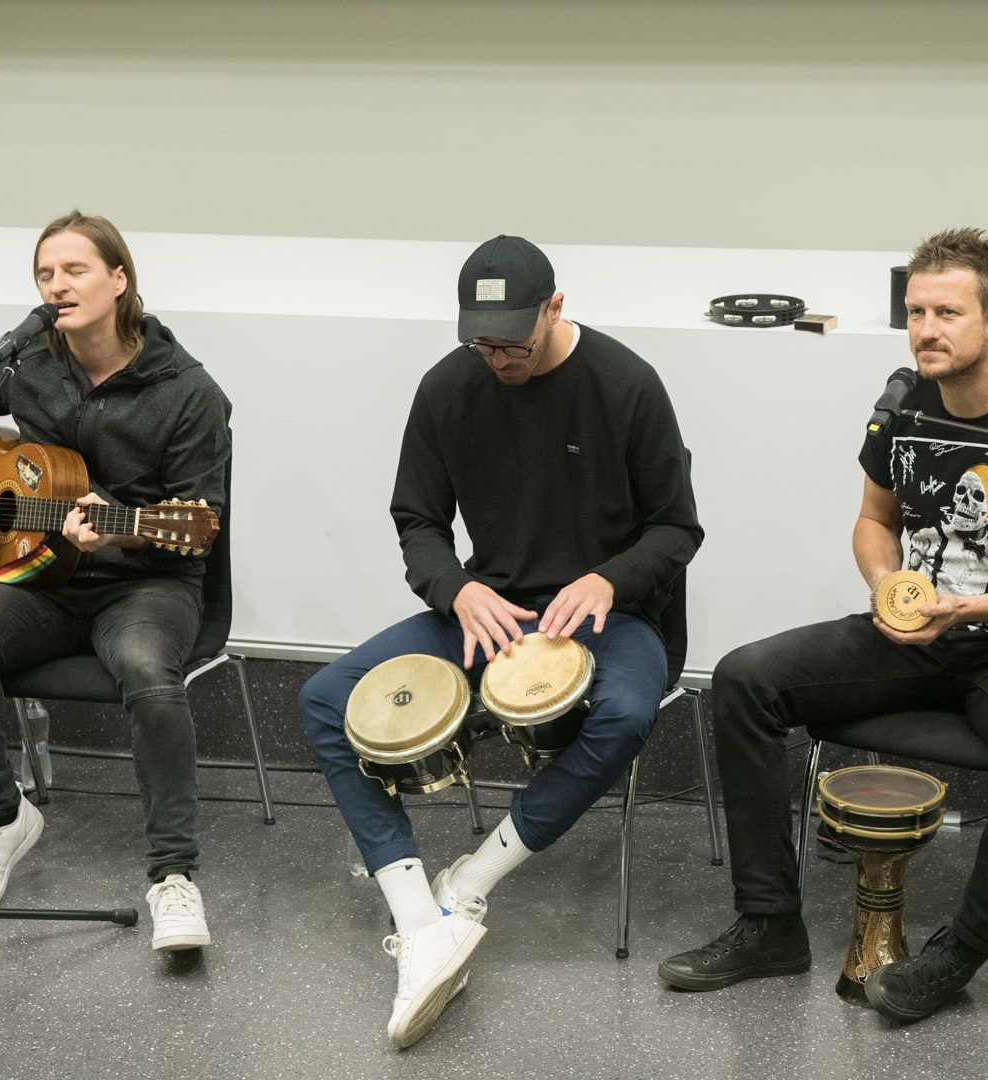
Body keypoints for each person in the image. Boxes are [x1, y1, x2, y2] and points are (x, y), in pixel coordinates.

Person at [660, 227, 988, 1023]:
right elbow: (873, 523)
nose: (925, 330)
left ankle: (961, 951)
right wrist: (888, 588)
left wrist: (971, 606)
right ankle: (770, 923)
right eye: (915, 311)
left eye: (947, 312)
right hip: (917, 631)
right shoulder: (904, 405)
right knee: (744, 679)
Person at [298, 235, 702, 1047]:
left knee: (623, 715)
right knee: (323, 699)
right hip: (492, 609)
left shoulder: (627, 385)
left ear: (556, 307)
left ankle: (471, 884)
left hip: (611, 618)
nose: (497, 359)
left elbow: (677, 528)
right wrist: (459, 588)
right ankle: (419, 919)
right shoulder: (449, 388)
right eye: (482, 343)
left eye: (512, 342)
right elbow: (416, 519)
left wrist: (609, 580)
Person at [0, 211, 230, 953]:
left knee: (150, 670)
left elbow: (201, 520)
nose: (58, 285)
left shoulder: (189, 392)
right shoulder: (24, 362)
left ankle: (174, 877)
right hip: (46, 572)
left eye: (75, 270)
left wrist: (120, 521)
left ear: (119, 280)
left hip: (146, 581)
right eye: (46, 274)